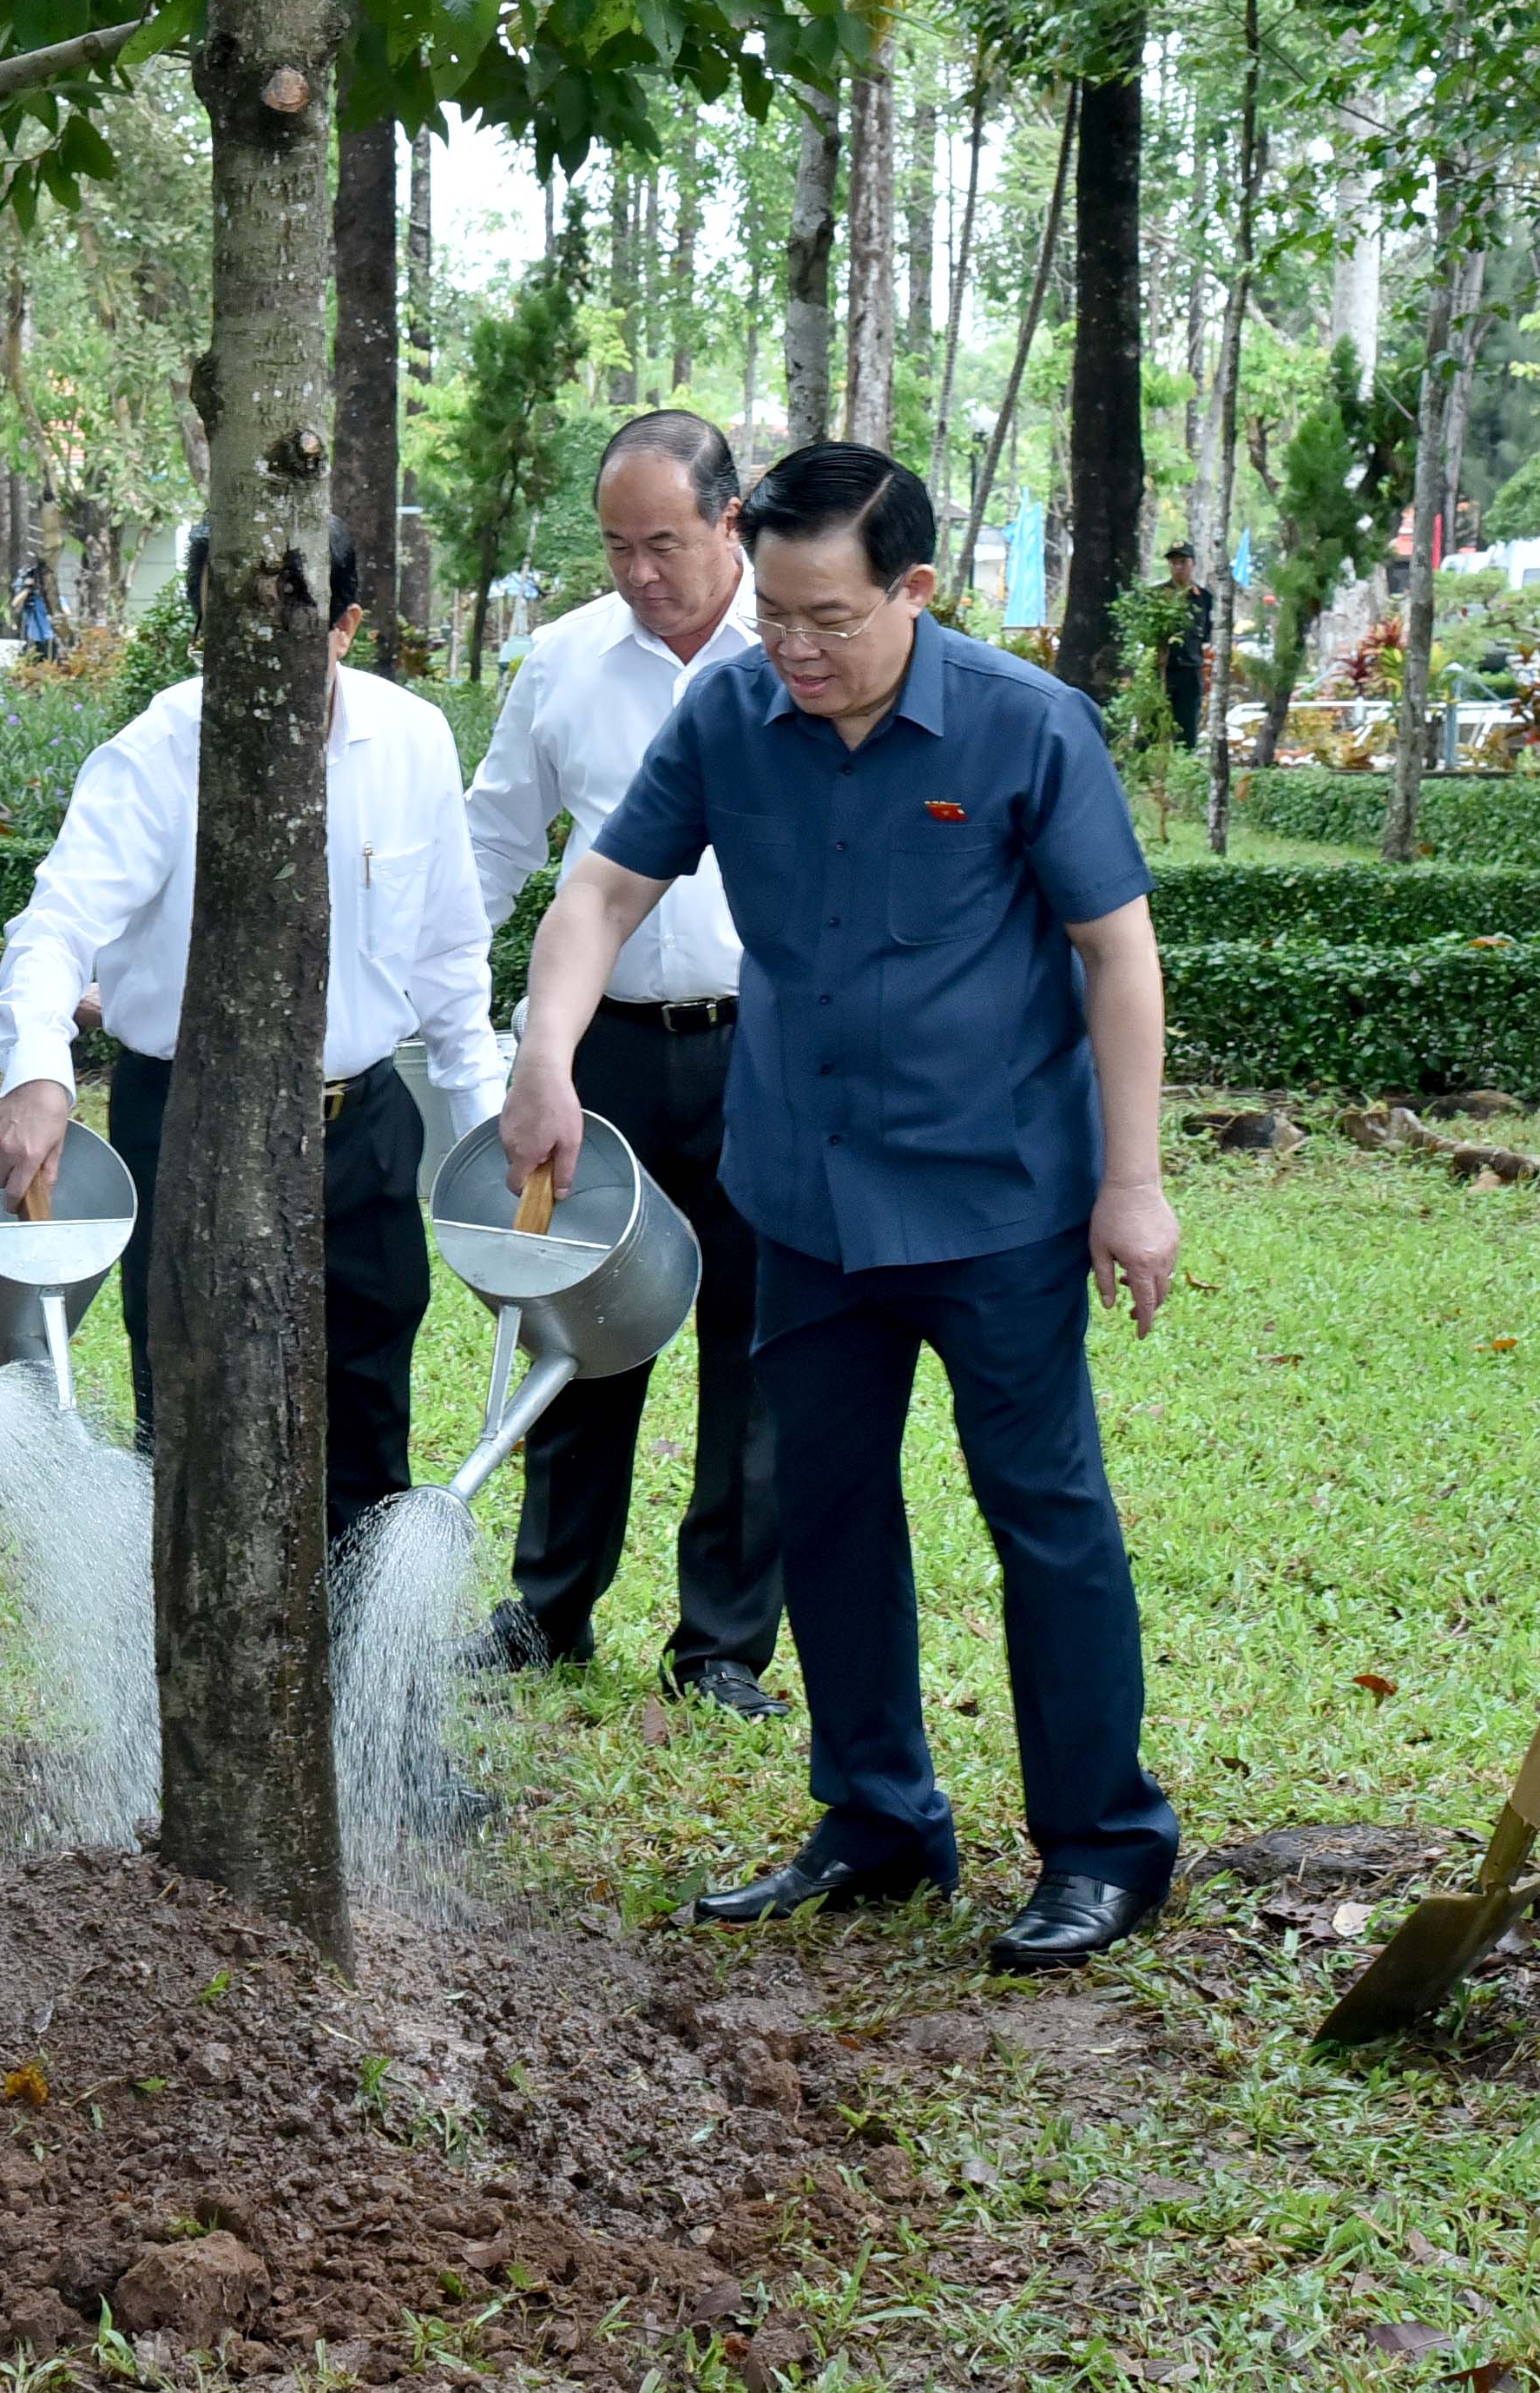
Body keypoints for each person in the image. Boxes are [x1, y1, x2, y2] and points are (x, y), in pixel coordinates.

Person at [500, 443, 1182, 1973]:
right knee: (828, 1509)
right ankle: (878, 1818)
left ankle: (1103, 1845)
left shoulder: (1026, 727)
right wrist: (545, 1054)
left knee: (1045, 1515)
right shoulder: (732, 715)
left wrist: (1131, 1185)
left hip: (998, 1200)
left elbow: (1117, 954)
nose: (795, 650)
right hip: (805, 1197)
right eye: (780, 616)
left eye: (830, 619)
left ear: (915, 591)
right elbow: (600, 892)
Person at [0, 520, 504, 1536]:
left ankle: (355, 1683)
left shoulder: (412, 741)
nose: (253, 654)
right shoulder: (153, 754)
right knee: (192, 1421)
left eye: (292, 624)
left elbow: (448, 952)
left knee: (365, 1424)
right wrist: (38, 1070)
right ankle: (191, 1683)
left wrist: (485, 1127)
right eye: (228, 624)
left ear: (348, 626)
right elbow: (53, 929)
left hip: (360, 1130)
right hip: (186, 1127)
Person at [461, 410, 784, 1711]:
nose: (639, 572)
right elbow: (493, 839)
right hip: (605, 1051)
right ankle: (549, 1608)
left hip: (762, 1048)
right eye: (614, 546)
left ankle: (719, 1649)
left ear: (728, 523)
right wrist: (430, 1000)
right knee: (579, 1328)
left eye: (662, 543)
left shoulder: (804, 646)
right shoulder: (564, 659)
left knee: (753, 1351)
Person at [1160, 544, 1212, 744]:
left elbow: (1206, 634)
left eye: (1183, 562)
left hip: (1190, 670)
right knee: (1154, 727)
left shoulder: (1204, 598)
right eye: (1174, 562)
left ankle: (1184, 767)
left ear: (1193, 564)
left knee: (1187, 729)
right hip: (1162, 670)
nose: (1178, 567)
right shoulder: (1157, 595)